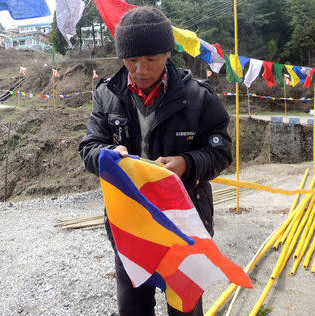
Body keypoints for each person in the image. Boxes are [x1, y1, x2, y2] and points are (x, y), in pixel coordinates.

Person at [79, 7, 232, 316]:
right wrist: (109, 157)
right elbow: (89, 147)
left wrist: (186, 162)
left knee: (184, 307)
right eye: (131, 60)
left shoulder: (198, 97)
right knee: (133, 307)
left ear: (167, 53)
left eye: (150, 60)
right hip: (130, 226)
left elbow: (221, 151)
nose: (140, 69)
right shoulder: (107, 95)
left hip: (182, 225)